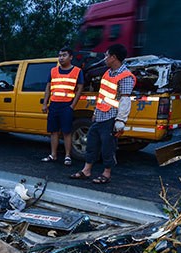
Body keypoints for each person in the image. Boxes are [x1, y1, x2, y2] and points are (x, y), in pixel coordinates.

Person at [70, 44, 136, 184]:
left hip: (112, 117)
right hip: (100, 115)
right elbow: (102, 95)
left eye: (107, 55)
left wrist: (121, 121)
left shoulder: (125, 76)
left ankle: (106, 174)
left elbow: (125, 99)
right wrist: (96, 111)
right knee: (92, 144)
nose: (105, 58)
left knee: (108, 147)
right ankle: (86, 170)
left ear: (114, 57)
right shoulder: (108, 73)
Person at [41, 47, 83, 166]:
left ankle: (67, 156)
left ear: (71, 57)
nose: (61, 58)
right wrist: (45, 103)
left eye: (64, 55)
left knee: (66, 131)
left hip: (66, 105)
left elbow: (80, 88)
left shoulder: (77, 71)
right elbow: (48, 87)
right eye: (59, 55)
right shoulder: (53, 71)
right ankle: (53, 155)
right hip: (54, 104)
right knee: (53, 131)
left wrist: (72, 105)